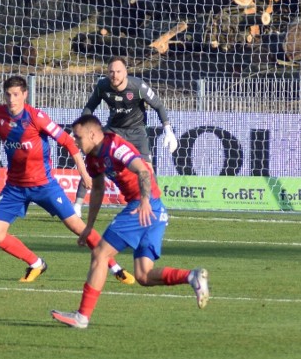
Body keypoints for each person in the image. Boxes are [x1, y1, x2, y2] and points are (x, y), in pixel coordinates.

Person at [0, 75, 134, 284]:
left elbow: (68, 142)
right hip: (14, 188)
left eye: (16, 95)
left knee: (78, 227)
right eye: (8, 95)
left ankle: (116, 268)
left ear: (25, 94)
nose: (12, 99)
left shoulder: (37, 117)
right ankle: (36, 263)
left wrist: (84, 173)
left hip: (44, 185)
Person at [51, 114, 209, 329]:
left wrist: (144, 201)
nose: (76, 142)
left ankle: (82, 317)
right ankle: (192, 276)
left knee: (100, 254)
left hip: (143, 206)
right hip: (155, 210)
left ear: (92, 134)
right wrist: (89, 226)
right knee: (143, 275)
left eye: (78, 137)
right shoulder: (92, 158)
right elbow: (97, 189)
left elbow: (142, 170)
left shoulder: (114, 145)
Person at [72, 56, 178, 217]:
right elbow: (90, 107)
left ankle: (156, 207)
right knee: (94, 163)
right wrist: (79, 128)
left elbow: (158, 105)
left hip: (137, 131)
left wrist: (168, 130)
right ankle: (77, 206)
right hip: (114, 130)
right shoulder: (103, 86)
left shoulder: (138, 86)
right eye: (111, 72)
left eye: (118, 71)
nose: (115, 75)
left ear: (126, 72)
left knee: (147, 169)